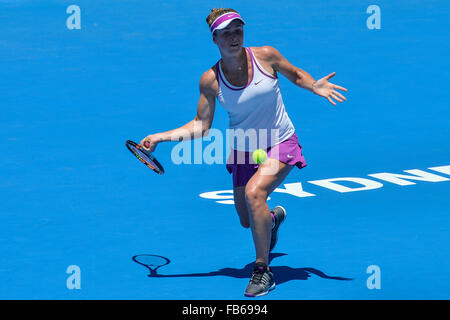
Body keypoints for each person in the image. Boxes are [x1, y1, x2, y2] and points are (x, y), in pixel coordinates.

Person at [140, 8, 348, 297]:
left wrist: (314, 85)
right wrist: (160, 138)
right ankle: (272, 220)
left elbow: (296, 74)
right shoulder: (210, 80)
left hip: (280, 141)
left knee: (254, 194)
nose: (233, 36)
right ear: (215, 39)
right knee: (247, 219)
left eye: (237, 30)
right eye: (226, 33)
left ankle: (263, 271)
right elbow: (201, 125)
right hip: (244, 148)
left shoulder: (266, 56)